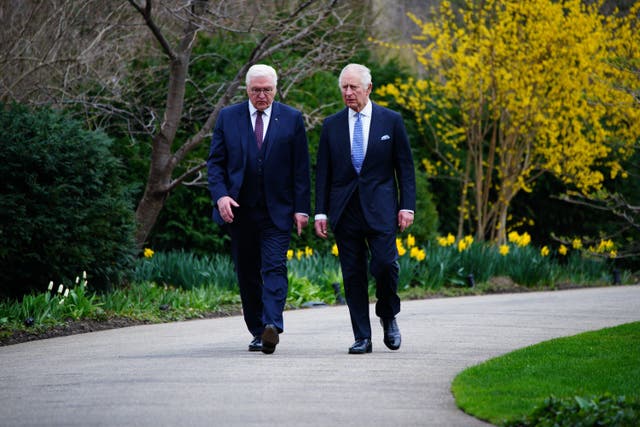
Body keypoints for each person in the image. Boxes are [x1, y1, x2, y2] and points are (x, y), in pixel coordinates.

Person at [207, 64, 311, 354]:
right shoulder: (229, 118)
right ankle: (257, 330)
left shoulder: (291, 119)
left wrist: (302, 209)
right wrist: (221, 196)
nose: (261, 95)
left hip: (277, 210)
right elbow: (215, 164)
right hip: (240, 211)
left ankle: (272, 325)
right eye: (256, 90)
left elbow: (301, 169)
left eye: (267, 90)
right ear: (247, 90)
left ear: (276, 89)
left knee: (275, 266)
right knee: (247, 272)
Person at [314, 63, 416, 354]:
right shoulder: (331, 125)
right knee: (353, 274)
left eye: (353, 87)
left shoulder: (391, 121)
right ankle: (362, 337)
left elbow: (405, 168)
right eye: (344, 87)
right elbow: (323, 172)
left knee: (385, 264)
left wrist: (407, 206)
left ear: (368, 89)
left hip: (381, 208)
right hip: (345, 210)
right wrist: (320, 211)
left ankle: (387, 314)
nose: (348, 93)